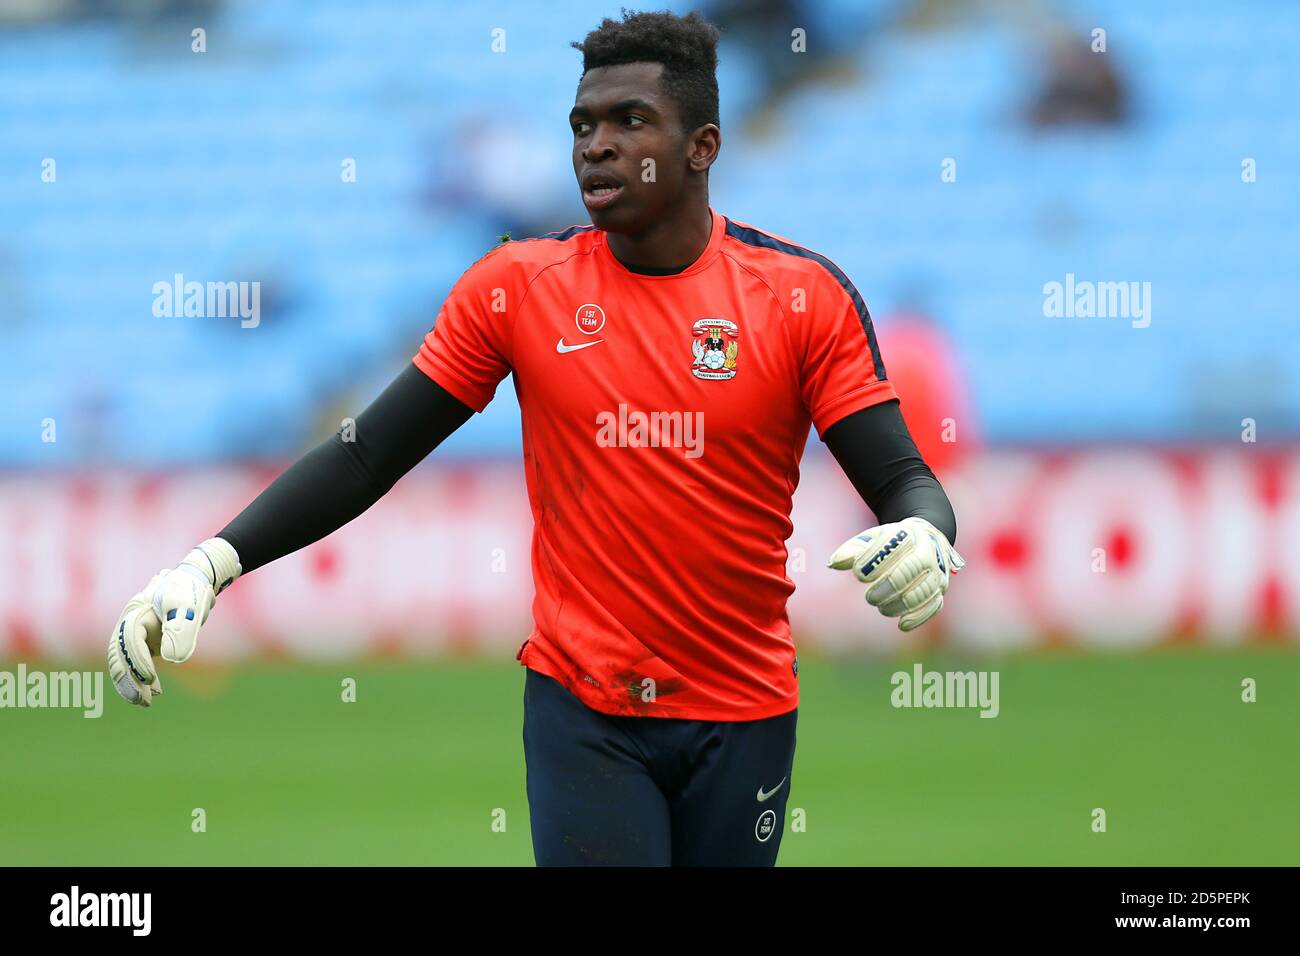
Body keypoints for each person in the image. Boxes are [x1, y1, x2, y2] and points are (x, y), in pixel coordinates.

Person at [107, 10, 963, 867]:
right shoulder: (516, 289)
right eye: (582, 125)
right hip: (583, 709)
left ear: (702, 146)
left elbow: (904, 479)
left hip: (745, 709)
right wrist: (211, 562)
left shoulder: (801, 297)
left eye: (630, 122)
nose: (596, 145)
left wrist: (927, 532)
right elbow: (368, 452)